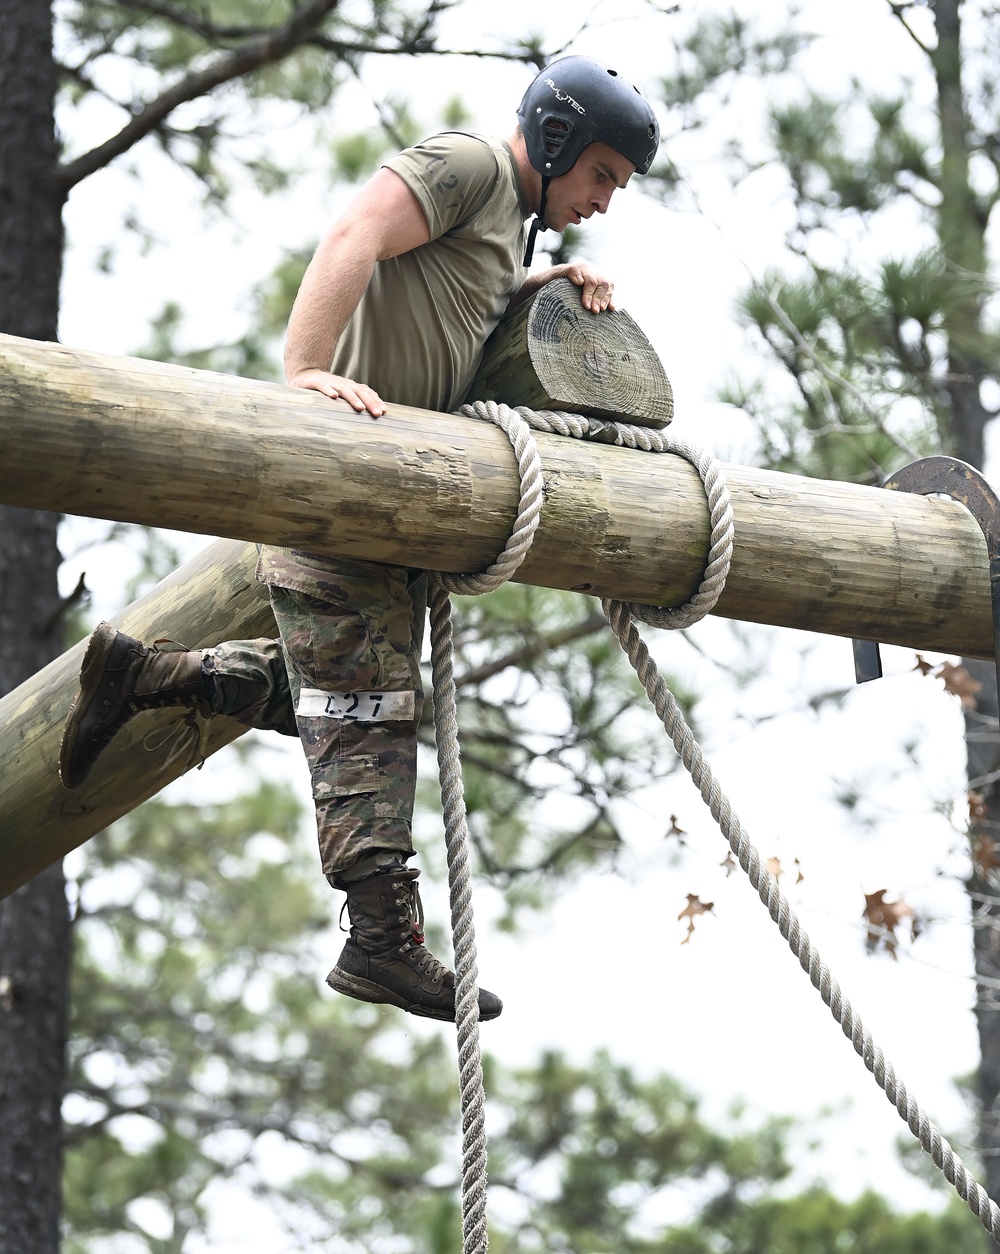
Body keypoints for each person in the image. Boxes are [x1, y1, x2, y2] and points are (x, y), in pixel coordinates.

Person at [59, 55, 661, 1024]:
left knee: (346, 701)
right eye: (600, 175)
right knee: (367, 710)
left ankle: (150, 676)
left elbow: (450, 296)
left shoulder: (506, 220)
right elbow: (357, 231)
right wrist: (303, 373)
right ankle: (382, 938)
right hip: (340, 470)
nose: (601, 200)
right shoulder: (468, 164)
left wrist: (542, 277)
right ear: (556, 140)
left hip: (386, 493)